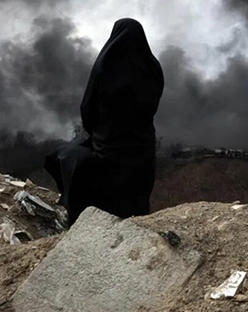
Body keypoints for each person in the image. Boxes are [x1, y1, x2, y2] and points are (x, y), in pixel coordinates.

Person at [45, 18, 164, 225]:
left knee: (68, 156)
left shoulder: (105, 66)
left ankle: (77, 215)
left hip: (108, 145)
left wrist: (97, 133)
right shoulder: (153, 69)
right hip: (143, 147)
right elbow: (153, 105)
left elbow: (87, 107)